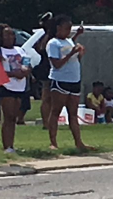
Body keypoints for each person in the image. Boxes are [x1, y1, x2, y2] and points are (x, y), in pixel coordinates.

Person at [46, 15, 91, 151]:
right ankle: (53, 142)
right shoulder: (53, 43)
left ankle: (79, 142)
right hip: (60, 80)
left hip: (74, 79)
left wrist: (79, 52)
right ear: (58, 28)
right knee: (56, 111)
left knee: (73, 113)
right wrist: (71, 53)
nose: (68, 31)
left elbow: (74, 56)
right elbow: (56, 64)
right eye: (66, 28)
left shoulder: (69, 41)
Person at [0, 24, 31, 154]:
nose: (10, 37)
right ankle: (6, 146)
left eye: (11, 34)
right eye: (6, 35)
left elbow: (27, 63)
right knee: (8, 116)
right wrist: (13, 74)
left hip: (20, 86)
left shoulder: (20, 50)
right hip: (7, 86)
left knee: (14, 117)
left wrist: (25, 71)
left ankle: (12, 144)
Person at [32, 12, 54, 129]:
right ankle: (46, 122)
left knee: (53, 98)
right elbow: (41, 48)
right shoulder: (43, 35)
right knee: (46, 97)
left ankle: (50, 121)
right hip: (46, 68)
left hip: (53, 68)